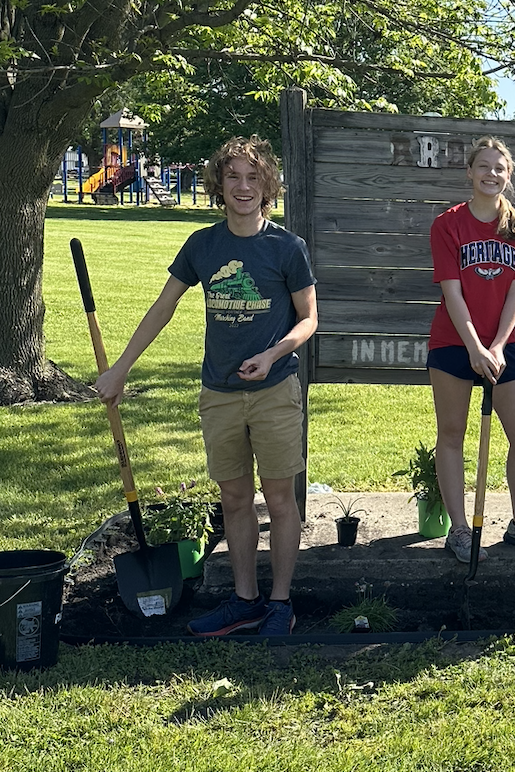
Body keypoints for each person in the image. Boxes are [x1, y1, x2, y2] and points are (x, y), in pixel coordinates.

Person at [94, 136, 317, 636]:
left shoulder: (287, 247)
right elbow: (163, 305)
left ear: (267, 186)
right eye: (233, 177)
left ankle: (280, 603)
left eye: (253, 178)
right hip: (217, 393)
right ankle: (245, 600)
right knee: (234, 500)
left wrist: (272, 354)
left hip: (275, 391)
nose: (243, 187)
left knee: (280, 501)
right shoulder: (203, 245)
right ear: (220, 185)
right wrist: (121, 369)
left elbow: (308, 320)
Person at [427, 136, 515, 564]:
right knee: (451, 435)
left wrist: (497, 346)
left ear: (509, 174)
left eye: (499, 168)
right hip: (453, 343)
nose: (491, 174)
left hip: (501, 349)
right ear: (469, 171)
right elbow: (452, 293)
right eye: (483, 167)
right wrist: (474, 348)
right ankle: (460, 531)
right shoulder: (447, 224)